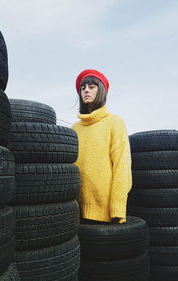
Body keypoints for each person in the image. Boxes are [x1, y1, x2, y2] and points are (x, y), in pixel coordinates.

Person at [71, 69, 132, 224]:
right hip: (74, 210)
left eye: (91, 87)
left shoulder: (115, 122)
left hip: (105, 212)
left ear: (101, 91)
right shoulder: (74, 129)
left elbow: (122, 167)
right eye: (83, 88)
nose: (86, 90)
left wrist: (117, 208)